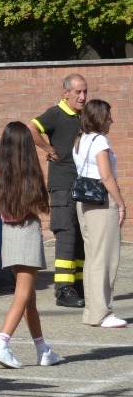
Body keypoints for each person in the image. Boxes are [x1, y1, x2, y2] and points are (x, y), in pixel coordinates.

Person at [0, 122, 65, 368]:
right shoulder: (28, 173)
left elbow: (0, 204)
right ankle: (2, 343)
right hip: (27, 233)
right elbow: (38, 205)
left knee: (29, 297)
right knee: (22, 294)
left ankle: (43, 349)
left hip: (8, 234)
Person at [31, 73, 90, 308]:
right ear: (65, 93)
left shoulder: (83, 116)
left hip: (82, 186)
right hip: (62, 186)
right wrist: (49, 148)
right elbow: (31, 128)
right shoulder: (55, 113)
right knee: (66, 236)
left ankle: (78, 286)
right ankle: (63, 290)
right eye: (78, 92)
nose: (83, 96)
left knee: (81, 240)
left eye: (85, 91)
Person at [72, 99, 126, 329]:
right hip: (102, 202)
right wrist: (121, 204)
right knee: (105, 258)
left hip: (84, 202)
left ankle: (93, 312)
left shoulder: (80, 139)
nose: (111, 120)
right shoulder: (100, 140)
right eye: (108, 116)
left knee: (93, 257)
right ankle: (102, 313)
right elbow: (106, 176)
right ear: (98, 118)